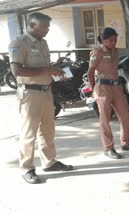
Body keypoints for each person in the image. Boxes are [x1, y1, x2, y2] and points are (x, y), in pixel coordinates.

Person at [8, 12, 73, 184]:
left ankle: (49, 162)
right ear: (32, 25)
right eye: (44, 26)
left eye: (48, 26)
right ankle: (27, 168)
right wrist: (46, 71)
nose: (48, 30)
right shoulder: (19, 43)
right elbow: (17, 71)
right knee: (29, 133)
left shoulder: (43, 43)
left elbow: (44, 67)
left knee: (47, 130)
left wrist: (55, 72)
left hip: (45, 91)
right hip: (29, 94)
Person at [87, 27, 129, 159]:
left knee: (125, 116)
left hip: (116, 86)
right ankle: (108, 148)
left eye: (115, 39)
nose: (114, 42)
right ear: (102, 40)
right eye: (111, 40)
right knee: (105, 119)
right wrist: (92, 90)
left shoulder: (116, 51)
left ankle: (126, 142)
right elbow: (90, 73)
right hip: (103, 87)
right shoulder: (97, 52)